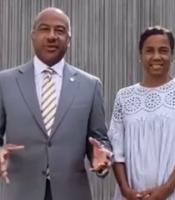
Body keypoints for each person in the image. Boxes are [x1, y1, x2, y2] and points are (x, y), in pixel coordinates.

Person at [0, 7, 112, 200]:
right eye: (44, 29)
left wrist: (100, 157)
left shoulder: (90, 85)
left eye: (59, 31)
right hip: (20, 192)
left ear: (69, 39)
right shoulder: (5, 82)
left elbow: (99, 139)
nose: (52, 36)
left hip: (72, 193)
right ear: (33, 36)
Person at [108, 26, 175, 200]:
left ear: (172, 56)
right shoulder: (124, 96)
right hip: (133, 196)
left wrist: (166, 190)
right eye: (149, 51)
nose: (156, 57)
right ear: (140, 56)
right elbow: (116, 150)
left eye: (163, 51)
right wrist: (126, 191)